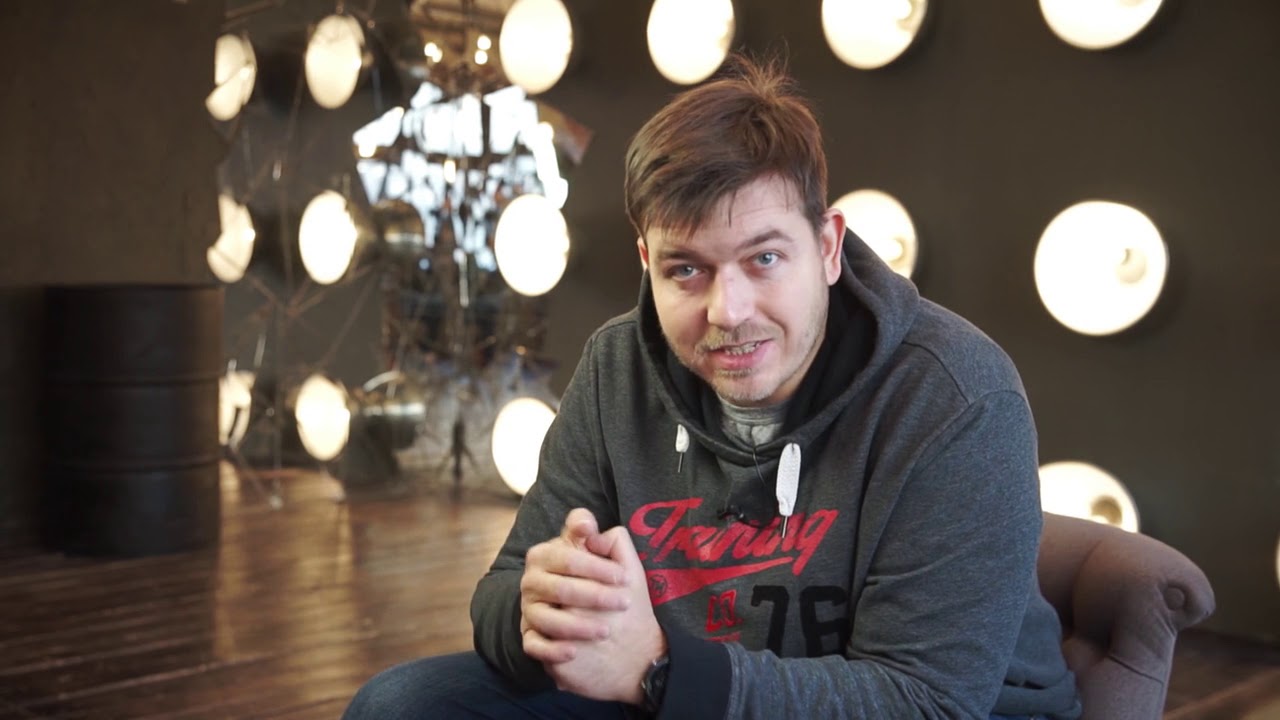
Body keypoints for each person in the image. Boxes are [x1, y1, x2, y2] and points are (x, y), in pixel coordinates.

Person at [343, 54, 1083, 720]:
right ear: (647, 263)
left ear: (827, 247)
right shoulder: (617, 368)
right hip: (686, 693)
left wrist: (659, 670)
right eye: (687, 269)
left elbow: (925, 701)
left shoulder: (955, 398)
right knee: (401, 706)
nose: (728, 312)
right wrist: (536, 609)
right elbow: (505, 587)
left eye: (764, 259)